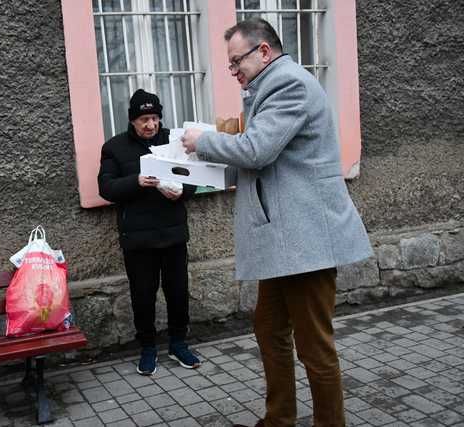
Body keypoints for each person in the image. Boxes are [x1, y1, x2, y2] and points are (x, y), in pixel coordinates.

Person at [182, 18, 373, 427]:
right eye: (231, 65)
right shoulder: (264, 89)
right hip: (283, 242)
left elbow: (256, 150)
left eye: (237, 62)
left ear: (264, 51)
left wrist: (203, 142)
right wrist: (187, 179)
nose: (233, 72)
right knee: (269, 331)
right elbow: (255, 164)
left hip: (306, 240)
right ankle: (279, 419)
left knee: (314, 346)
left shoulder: (288, 85)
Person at [98, 89, 201, 376]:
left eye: (155, 118)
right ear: (132, 120)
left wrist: (181, 191)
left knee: (178, 292)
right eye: (144, 119)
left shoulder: (174, 141)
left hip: (173, 233)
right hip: (138, 238)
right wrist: (137, 181)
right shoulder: (114, 148)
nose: (151, 125)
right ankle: (147, 348)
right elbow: (106, 188)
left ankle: (179, 344)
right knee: (142, 296)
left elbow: (193, 176)